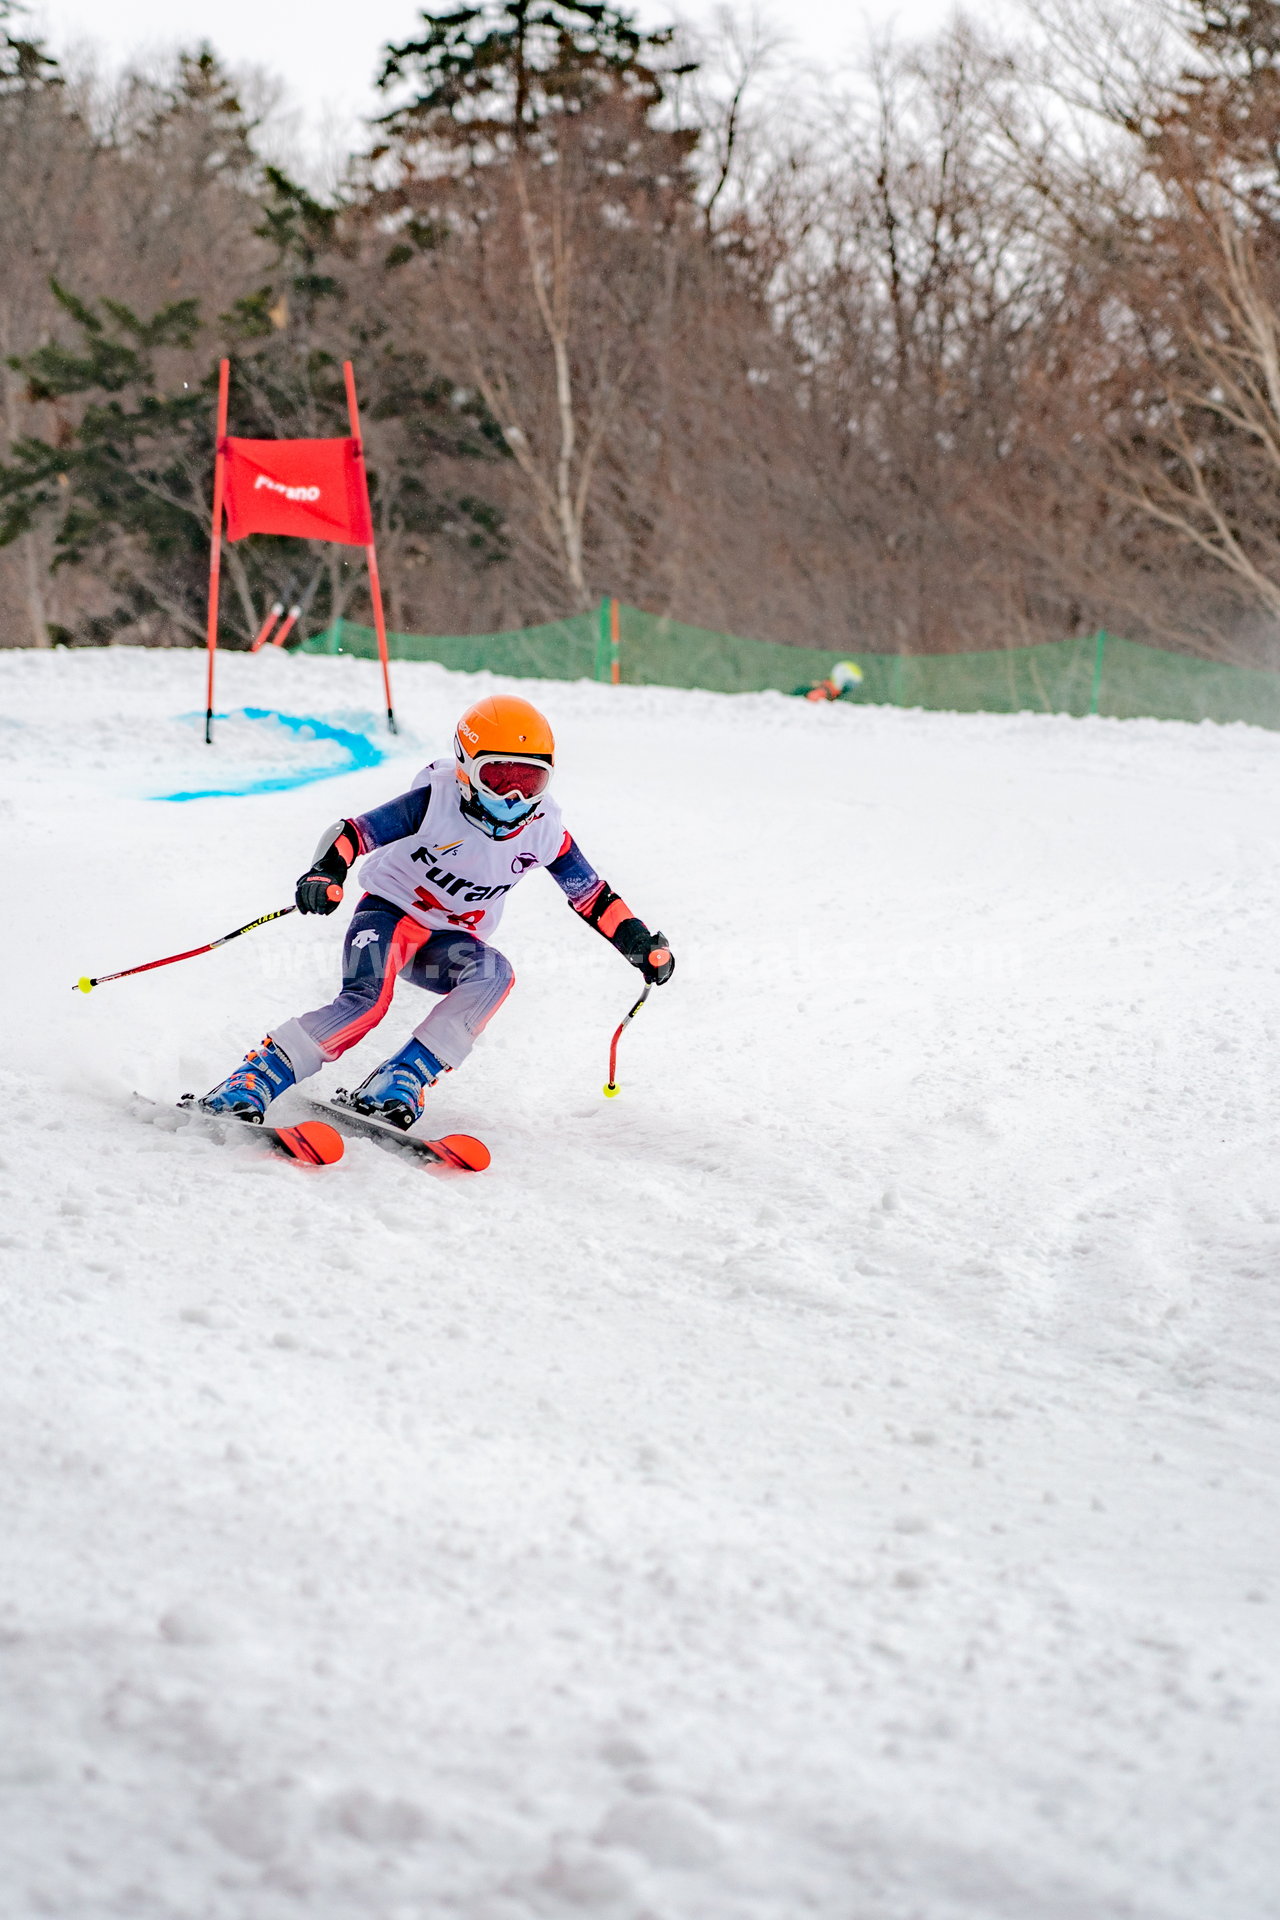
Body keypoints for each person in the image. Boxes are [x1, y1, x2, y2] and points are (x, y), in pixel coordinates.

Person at [200, 695, 675, 1129]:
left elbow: (592, 895)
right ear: (467, 768)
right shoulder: (435, 801)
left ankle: (399, 1080)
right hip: (389, 917)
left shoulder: (544, 829)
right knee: (366, 1003)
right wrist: (326, 872)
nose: (514, 799)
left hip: (446, 944)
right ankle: (251, 1080)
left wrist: (638, 944)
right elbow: (353, 833)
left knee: (494, 976)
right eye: (499, 778)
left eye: (530, 782)